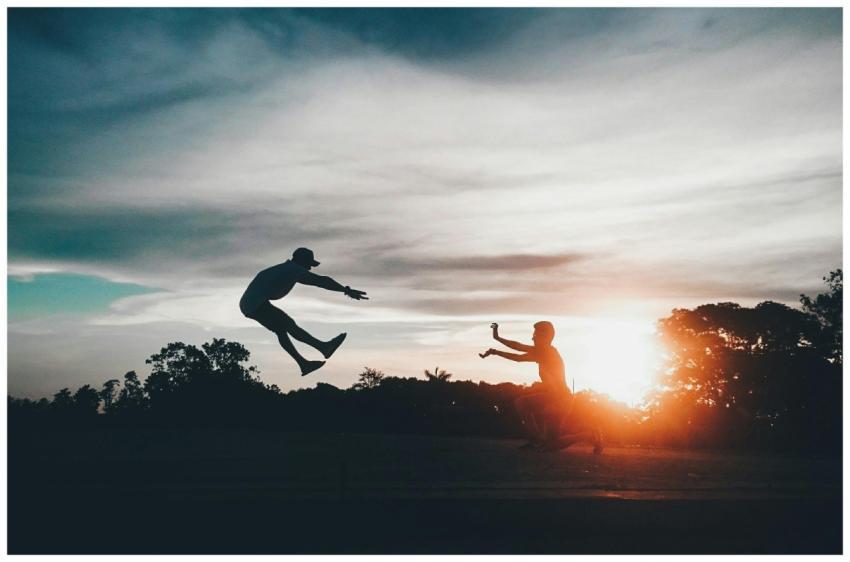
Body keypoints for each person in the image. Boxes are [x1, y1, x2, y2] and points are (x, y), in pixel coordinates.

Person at [239, 247, 368, 376]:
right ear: (301, 261)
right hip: (255, 303)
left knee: (281, 329)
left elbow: (320, 281)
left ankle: (305, 363)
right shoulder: (293, 269)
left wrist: (345, 290)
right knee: (287, 324)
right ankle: (322, 348)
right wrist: (347, 291)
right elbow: (322, 281)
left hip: (251, 304)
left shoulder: (289, 269)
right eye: (309, 264)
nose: (310, 268)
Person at [480, 321, 603, 453]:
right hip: (554, 397)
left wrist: (497, 339)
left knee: (523, 404)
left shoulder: (547, 351)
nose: (532, 338)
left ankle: (585, 435)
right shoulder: (541, 353)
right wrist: (496, 351)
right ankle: (586, 436)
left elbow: (519, 347)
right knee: (550, 443)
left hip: (561, 399)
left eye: (535, 335)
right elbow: (517, 357)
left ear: (546, 337)